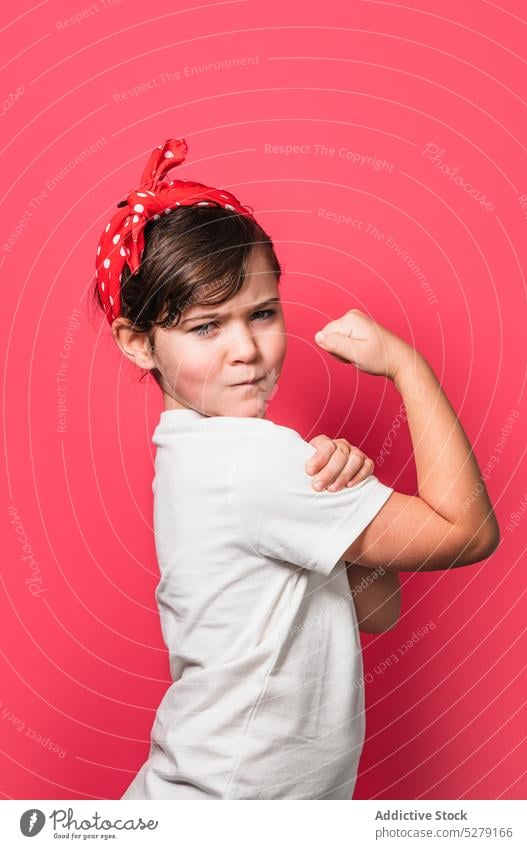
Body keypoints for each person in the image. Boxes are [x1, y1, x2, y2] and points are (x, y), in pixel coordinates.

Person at [92, 137, 500, 800]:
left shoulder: (195, 451)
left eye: (262, 313)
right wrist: (407, 366)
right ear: (138, 343)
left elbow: (378, 609)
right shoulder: (252, 460)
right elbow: (468, 532)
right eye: (206, 327)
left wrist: (344, 510)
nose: (246, 349)